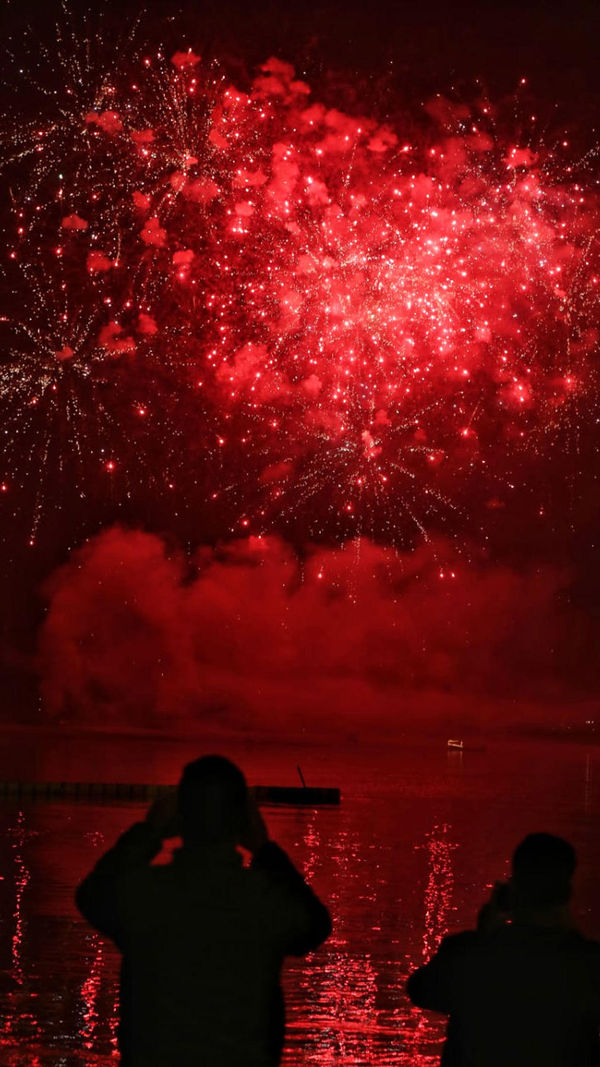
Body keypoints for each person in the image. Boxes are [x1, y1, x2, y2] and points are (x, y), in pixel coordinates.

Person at [76, 755, 331, 1066]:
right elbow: (317, 925)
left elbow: (91, 896)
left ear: (178, 816)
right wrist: (265, 849)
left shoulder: (145, 894)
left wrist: (148, 833)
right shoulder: (264, 900)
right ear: (243, 821)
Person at [406, 833, 600, 1066]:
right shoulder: (587, 965)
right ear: (567, 893)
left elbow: (420, 990)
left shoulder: (469, 954)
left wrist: (483, 935)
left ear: (513, 890)